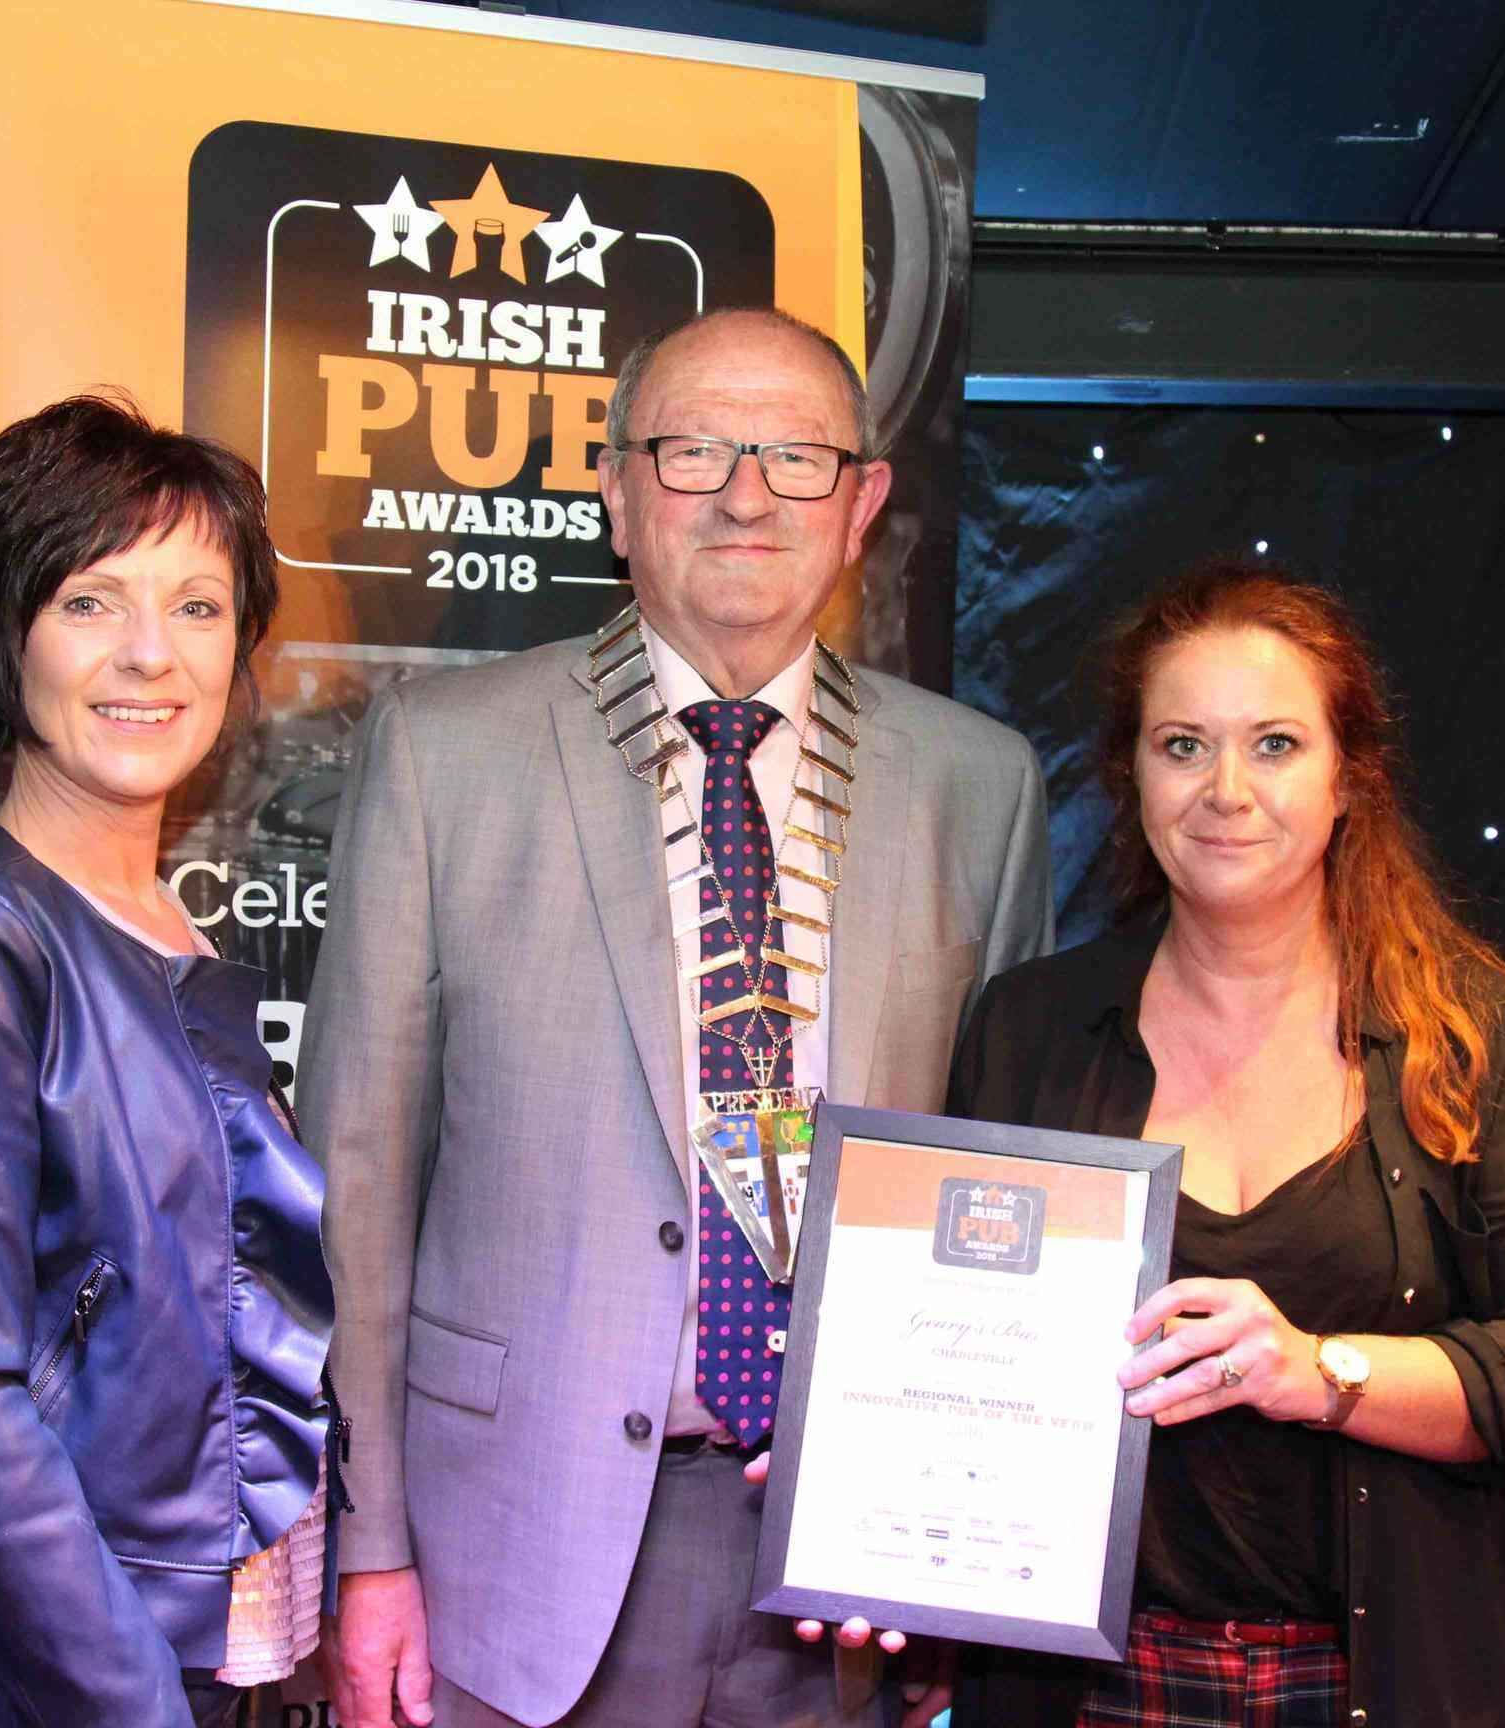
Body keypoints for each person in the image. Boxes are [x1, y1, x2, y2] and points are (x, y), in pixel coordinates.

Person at [305, 306, 1054, 1728]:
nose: (747, 492)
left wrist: (964, 1544)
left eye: (795, 455)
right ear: (615, 483)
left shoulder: (980, 786)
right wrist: (373, 1549)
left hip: (846, 1569)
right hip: (509, 1553)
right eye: (696, 447)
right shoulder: (442, 755)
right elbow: (358, 1181)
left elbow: (996, 1192)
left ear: (865, 504)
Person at [949, 560, 1505, 1728]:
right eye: (1180, 745)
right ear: (1129, 776)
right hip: (1089, 1691)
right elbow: (957, 1352)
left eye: (1274, 744)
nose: (1225, 789)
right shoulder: (1029, 1027)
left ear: (1349, 777)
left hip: (1392, 1685)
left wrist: (1317, 1372)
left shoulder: (1469, 1037)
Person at [0, 396, 336, 1727]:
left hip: (186, 1644)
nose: (152, 655)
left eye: (198, 607)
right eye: (92, 603)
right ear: (2, 640)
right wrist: (129, 1697)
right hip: (25, 1666)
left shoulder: (167, 930)